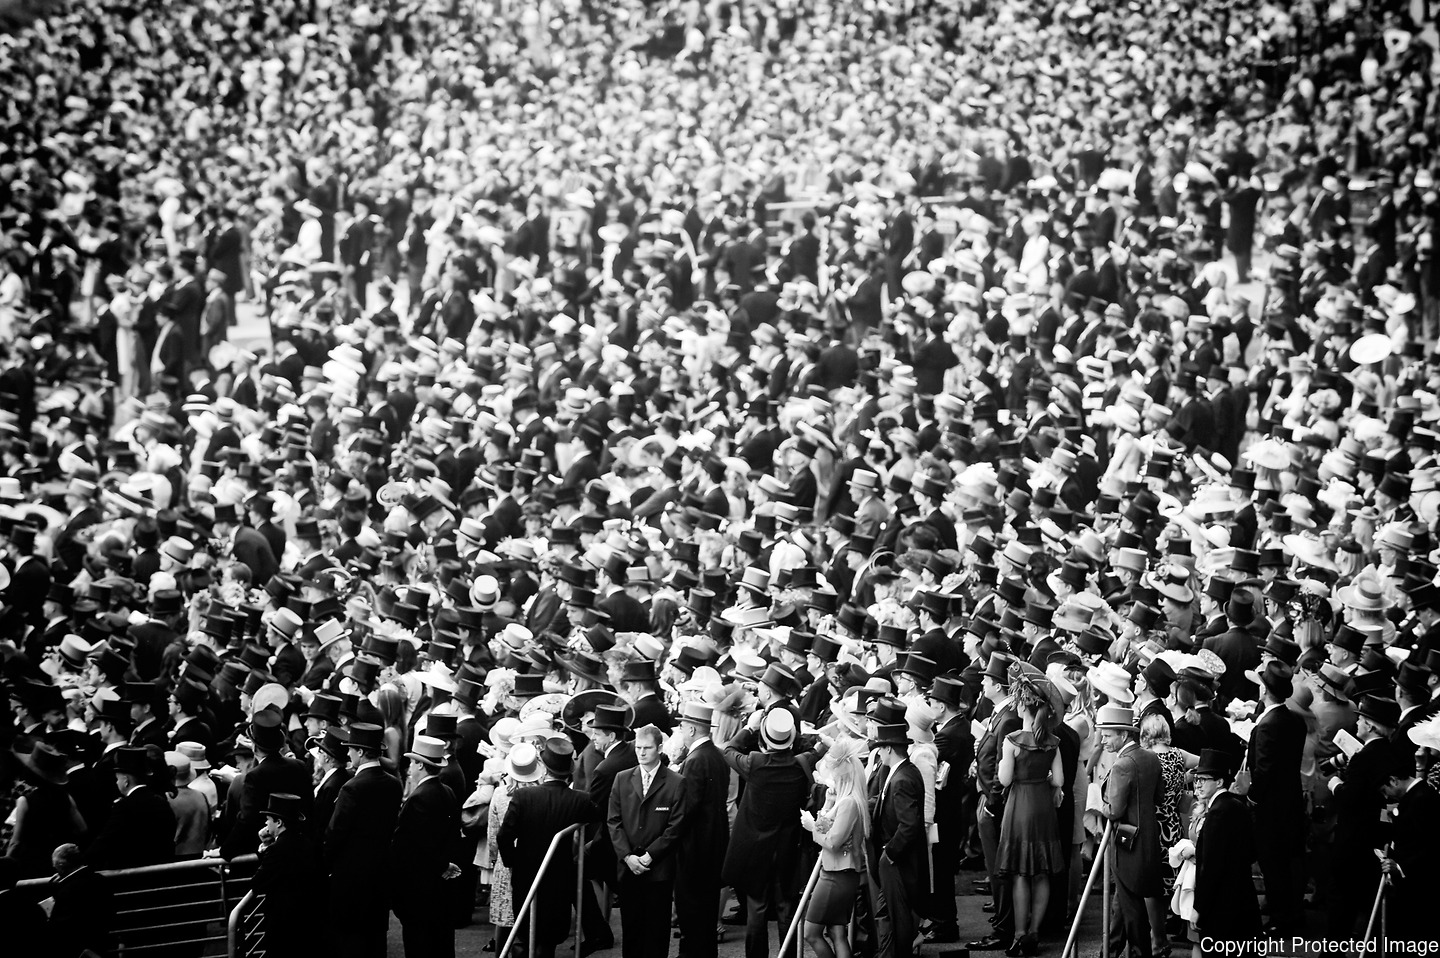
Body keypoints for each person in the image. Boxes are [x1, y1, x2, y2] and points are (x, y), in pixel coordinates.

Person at [723, 706, 819, 958]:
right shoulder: (801, 763)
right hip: (788, 848)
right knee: (786, 908)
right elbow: (815, 748)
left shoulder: (754, 762)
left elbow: (729, 750)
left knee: (757, 909)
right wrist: (791, 731)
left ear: (765, 737)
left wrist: (750, 728)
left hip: (756, 850)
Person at [497, 735, 600, 958]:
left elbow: (504, 836)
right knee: (550, 936)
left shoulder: (524, 796)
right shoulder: (579, 800)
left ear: (543, 767)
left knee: (525, 931)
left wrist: (512, 861)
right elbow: (599, 819)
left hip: (526, 873)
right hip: (560, 875)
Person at [995, 668, 1065, 957]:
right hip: (1043, 807)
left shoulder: (1012, 740)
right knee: (1042, 873)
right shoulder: (1052, 742)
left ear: (1023, 706)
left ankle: (1019, 933)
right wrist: (1043, 778)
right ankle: (1035, 932)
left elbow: (1004, 780)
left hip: (1020, 806)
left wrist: (1008, 767)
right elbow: (1059, 780)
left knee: (1021, 873)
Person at [1235, 661, 1305, 936]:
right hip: (1291, 800)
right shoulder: (1294, 720)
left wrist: (1252, 798)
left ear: (1264, 690)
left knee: (1273, 863)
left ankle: (1280, 918)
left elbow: (1263, 770)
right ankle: (1291, 913)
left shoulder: (1267, 725)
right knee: (1288, 862)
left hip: (1271, 807)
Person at [607, 723, 686, 958]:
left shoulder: (676, 782)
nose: (641, 753)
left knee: (656, 933)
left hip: (659, 870)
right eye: (638, 748)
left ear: (659, 748)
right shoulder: (622, 778)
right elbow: (613, 821)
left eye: (647, 748)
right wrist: (627, 856)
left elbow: (676, 826)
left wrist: (650, 856)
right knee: (631, 931)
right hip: (628, 868)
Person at [325, 722, 402, 958]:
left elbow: (335, 833)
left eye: (350, 749)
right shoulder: (393, 783)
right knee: (376, 940)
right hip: (379, 873)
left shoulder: (351, 788)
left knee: (351, 941)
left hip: (351, 879)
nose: (348, 753)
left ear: (359, 751)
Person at [1097, 705, 1163, 958]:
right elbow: (1159, 796)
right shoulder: (1151, 757)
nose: (1103, 740)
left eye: (1107, 735)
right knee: (1123, 899)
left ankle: (1139, 952)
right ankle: (1111, 949)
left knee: (1130, 903)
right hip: (1149, 836)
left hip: (1128, 841)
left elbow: (1114, 810)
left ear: (1123, 735)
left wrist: (1099, 803)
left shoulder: (1123, 764)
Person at [389, 734, 460, 958]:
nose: (409, 767)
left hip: (419, 889)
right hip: (440, 887)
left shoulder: (419, 797)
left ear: (420, 764)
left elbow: (416, 845)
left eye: (412, 762)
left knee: (419, 945)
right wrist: (446, 864)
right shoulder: (447, 791)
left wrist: (440, 865)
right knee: (441, 943)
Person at [800, 736, 869, 958]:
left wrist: (812, 827)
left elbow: (832, 841)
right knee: (836, 932)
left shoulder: (849, 802)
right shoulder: (846, 800)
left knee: (811, 933)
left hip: (836, 875)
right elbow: (830, 830)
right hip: (838, 873)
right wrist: (828, 803)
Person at [674, 701, 730, 958]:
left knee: (692, 911)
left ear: (692, 730)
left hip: (695, 848)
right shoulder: (716, 755)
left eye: (682, 727)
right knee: (706, 911)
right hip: (714, 843)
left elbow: (688, 808)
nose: (681, 732)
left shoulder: (695, 760)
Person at [1189, 749, 1259, 946]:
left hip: (1222, 907)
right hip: (1243, 900)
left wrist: (1199, 907)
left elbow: (1211, 867)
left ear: (1219, 782)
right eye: (1197, 779)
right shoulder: (1237, 806)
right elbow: (1251, 853)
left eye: (1204, 779)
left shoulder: (1218, 812)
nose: (1198, 784)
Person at [869, 719, 926, 958]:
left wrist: (889, 854)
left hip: (898, 861)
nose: (879, 753)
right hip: (897, 860)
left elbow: (909, 825)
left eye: (880, 748)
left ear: (889, 748)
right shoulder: (904, 772)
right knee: (887, 915)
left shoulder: (901, 778)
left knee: (895, 919)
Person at [486, 741, 544, 951]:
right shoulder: (541, 794)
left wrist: (494, 858)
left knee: (504, 915)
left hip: (506, 858)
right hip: (533, 858)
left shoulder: (500, 794)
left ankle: (500, 953)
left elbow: (493, 832)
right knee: (531, 915)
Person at [1379, 748, 1440, 945]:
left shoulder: (1420, 800)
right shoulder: (1416, 796)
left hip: (1419, 884)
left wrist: (1400, 866)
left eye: (1385, 790)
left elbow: (1429, 844)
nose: (1387, 796)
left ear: (1393, 780)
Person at [252, 793, 322, 958]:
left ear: (279, 822)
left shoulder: (277, 849)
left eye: (268, 819)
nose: (266, 823)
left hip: (283, 922)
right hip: (307, 919)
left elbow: (258, 882)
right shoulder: (306, 842)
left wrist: (264, 847)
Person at [84, 746, 176, 869]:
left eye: (117, 779)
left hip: (133, 872)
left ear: (126, 780)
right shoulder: (160, 801)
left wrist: (82, 861)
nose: (116, 782)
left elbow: (106, 840)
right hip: (160, 869)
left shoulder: (125, 806)